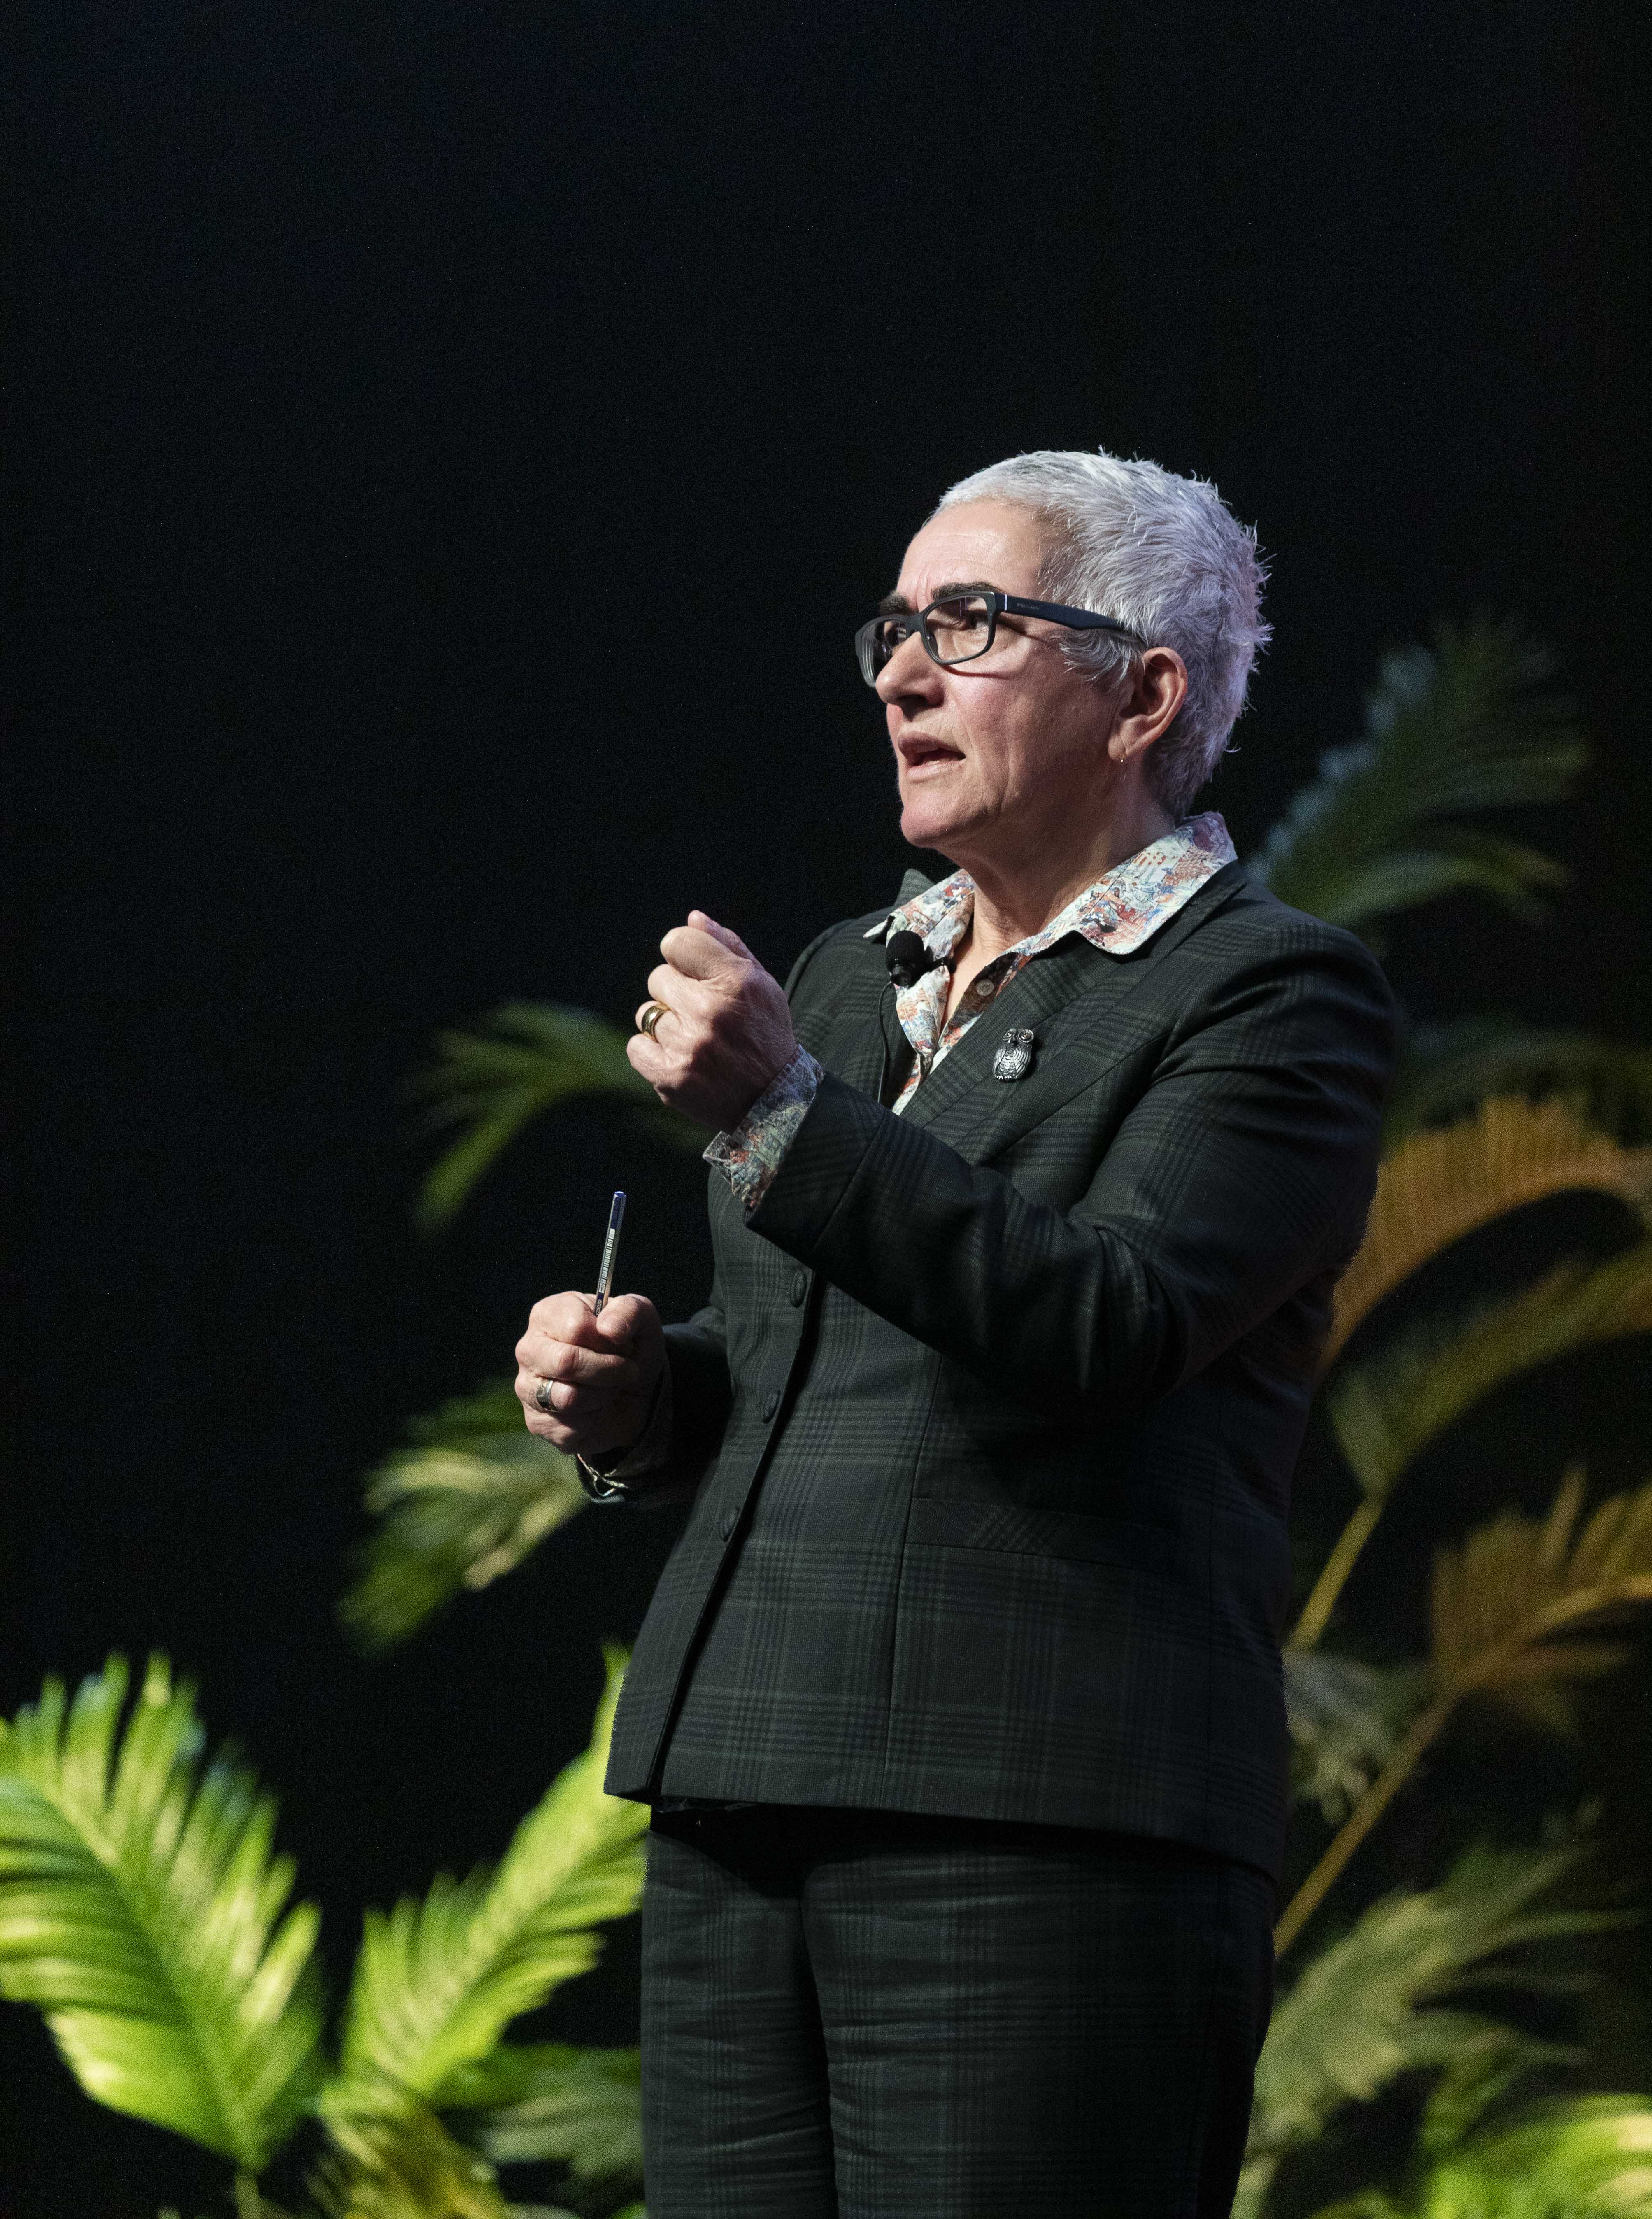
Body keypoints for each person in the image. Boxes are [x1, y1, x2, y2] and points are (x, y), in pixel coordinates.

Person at [514, 449, 1395, 2219]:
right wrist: (646, 1398)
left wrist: (780, 1114)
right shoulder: (855, 974)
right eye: (898, 629)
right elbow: (828, 1370)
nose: (903, 676)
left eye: (972, 624)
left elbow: (1108, 1324)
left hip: (1040, 1819)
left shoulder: (1268, 994)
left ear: (1144, 697)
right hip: (744, 1782)